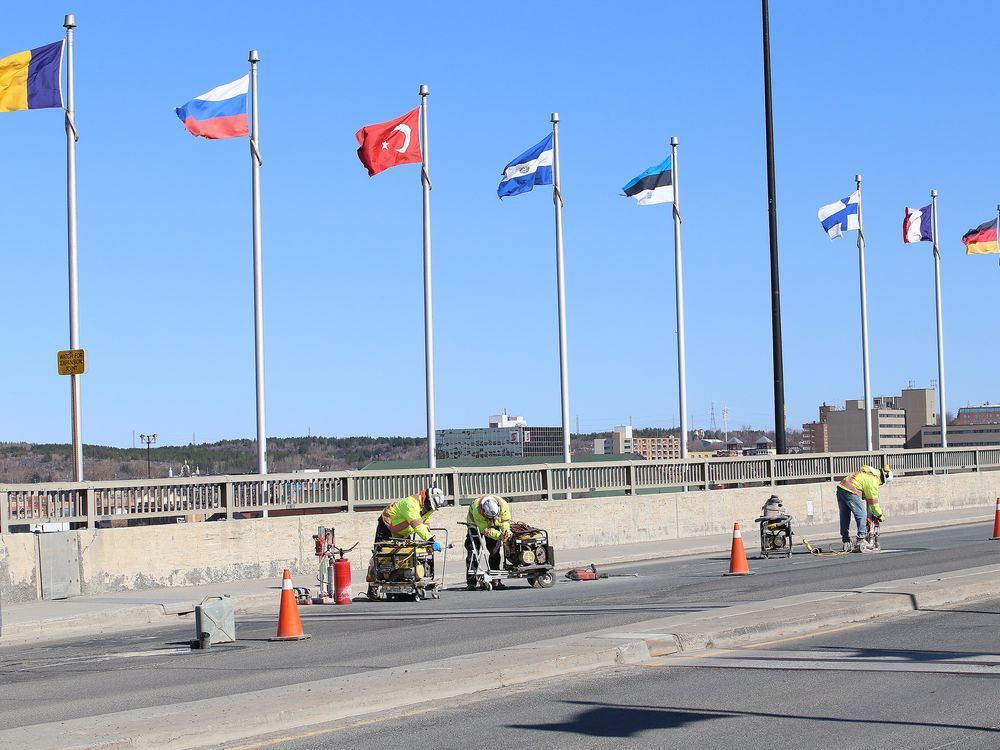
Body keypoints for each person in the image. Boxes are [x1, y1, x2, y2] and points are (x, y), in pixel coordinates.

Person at [367, 487, 446, 598]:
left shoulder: (427, 507)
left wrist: (428, 539)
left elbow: (424, 524)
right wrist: (431, 541)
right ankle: (372, 587)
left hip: (402, 531)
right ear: (427, 499)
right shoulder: (411, 504)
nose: (430, 509)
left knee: (404, 556)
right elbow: (418, 526)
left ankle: (399, 580)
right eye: (430, 506)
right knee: (380, 555)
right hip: (387, 525)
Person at [837, 464, 891, 552]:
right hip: (851, 491)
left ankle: (846, 540)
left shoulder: (866, 474)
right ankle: (861, 539)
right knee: (862, 514)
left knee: (845, 516)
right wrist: (880, 515)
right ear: (884, 478)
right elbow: (873, 502)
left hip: (841, 489)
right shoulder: (873, 480)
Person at [465, 494, 511, 589]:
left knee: (495, 550)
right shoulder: (478, 511)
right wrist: (500, 536)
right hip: (475, 524)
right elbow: (485, 530)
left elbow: (505, 521)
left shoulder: (503, 505)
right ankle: (471, 582)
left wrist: (506, 531)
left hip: (494, 524)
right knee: (473, 551)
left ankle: (495, 580)